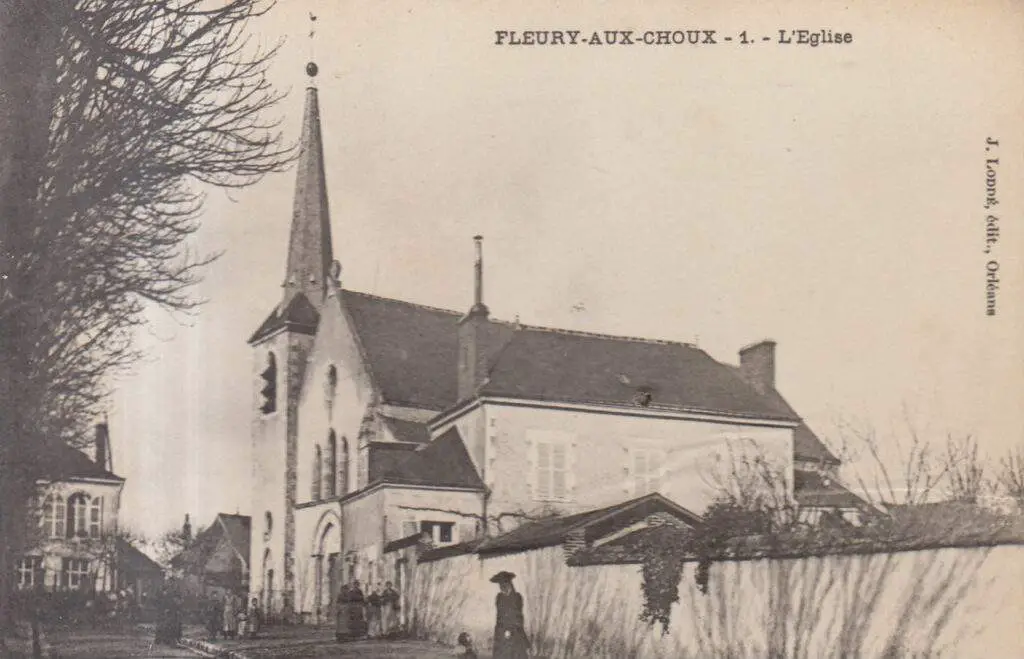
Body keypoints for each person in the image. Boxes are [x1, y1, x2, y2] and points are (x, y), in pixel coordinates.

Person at [490, 571, 529, 659]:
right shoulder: (499, 598)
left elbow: (517, 616)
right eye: (500, 585)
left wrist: (509, 630)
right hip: (501, 634)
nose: (502, 587)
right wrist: (501, 632)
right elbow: (500, 617)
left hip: (515, 633)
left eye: (504, 584)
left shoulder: (517, 597)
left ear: (509, 584)